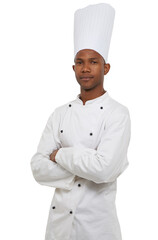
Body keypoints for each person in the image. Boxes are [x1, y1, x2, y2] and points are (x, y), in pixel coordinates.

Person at [30, 3, 131, 240]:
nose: (85, 69)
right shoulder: (60, 113)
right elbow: (37, 168)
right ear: (73, 67)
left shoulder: (118, 113)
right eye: (79, 62)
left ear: (105, 67)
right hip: (58, 228)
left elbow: (104, 170)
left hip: (98, 229)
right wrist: (86, 166)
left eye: (93, 62)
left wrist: (59, 156)